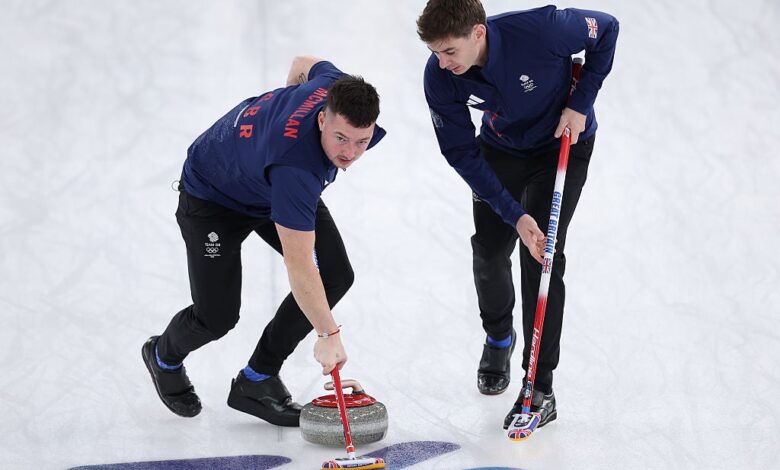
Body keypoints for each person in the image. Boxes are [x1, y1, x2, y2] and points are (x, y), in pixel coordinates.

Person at [142, 56, 385, 427]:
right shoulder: (296, 171)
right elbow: (299, 263)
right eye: (340, 138)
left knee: (336, 273)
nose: (349, 153)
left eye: (361, 141)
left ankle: (256, 380)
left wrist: (281, 118)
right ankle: (163, 355)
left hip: (264, 184)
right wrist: (327, 334)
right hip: (212, 199)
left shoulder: (334, 85)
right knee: (216, 317)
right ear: (322, 118)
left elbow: (305, 62)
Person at [417, 0, 618, 429]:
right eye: (435, 52)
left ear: (478, 33)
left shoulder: (544, 29)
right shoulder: (440, 76)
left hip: (561, 143)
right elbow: (459, 150)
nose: (441, 62)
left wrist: (581, 103)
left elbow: (607, 29)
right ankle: (498, 337)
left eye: (449, 51)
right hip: (499, 151)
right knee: (489, 251)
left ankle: (540, 386)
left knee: (541, 258)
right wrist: (514, 215)